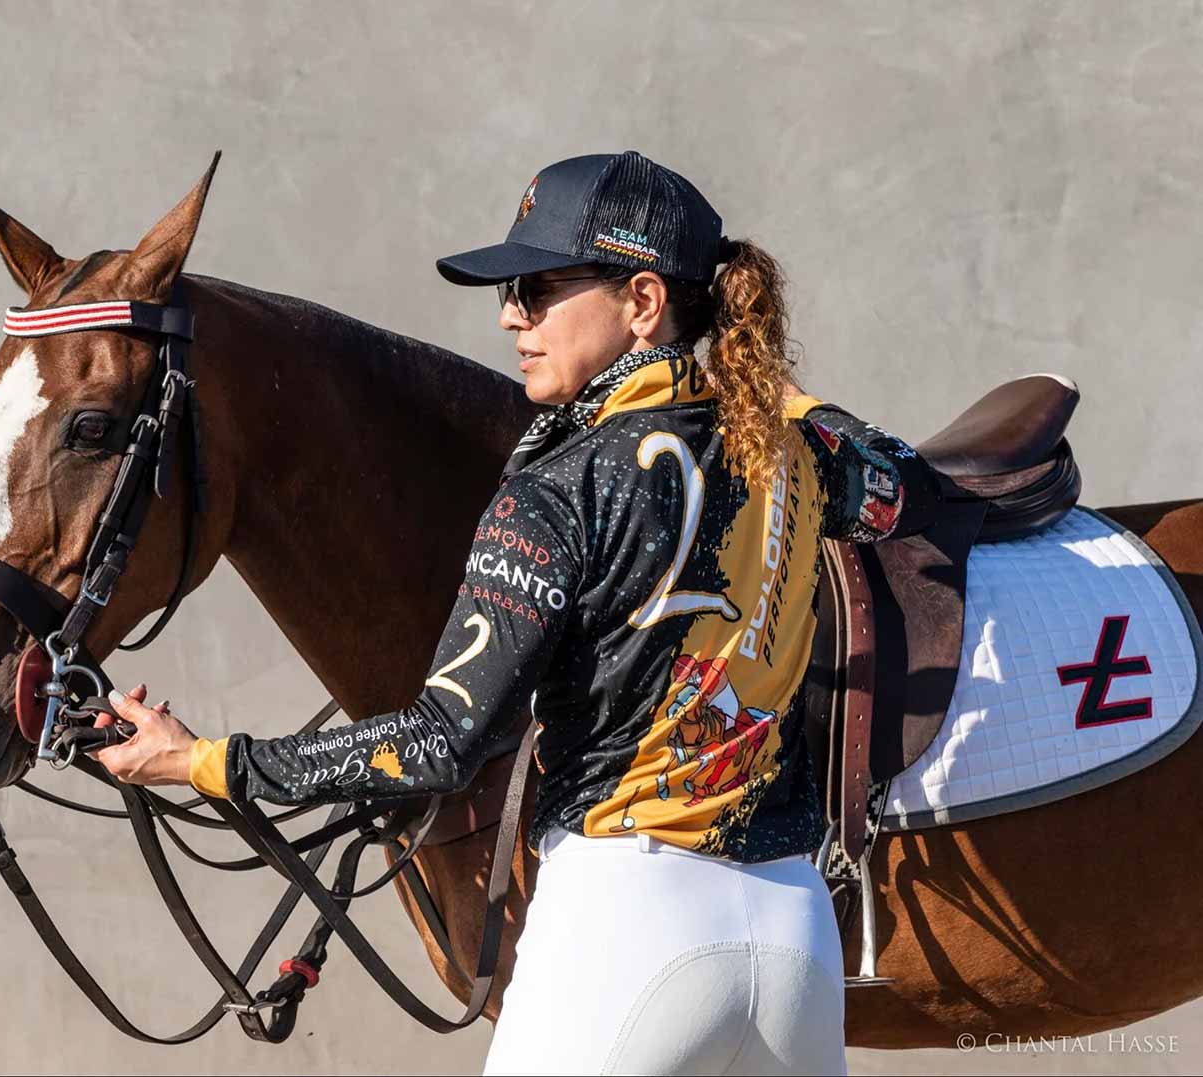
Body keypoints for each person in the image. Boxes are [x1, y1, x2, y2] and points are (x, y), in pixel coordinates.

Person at [94, 150, 942, 1075]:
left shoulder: (555, 489)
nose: (510, 315)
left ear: (643, 301)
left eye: (538, 289)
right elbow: (902, 481)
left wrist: (200, 760)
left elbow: (438, 743)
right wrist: (784, 397)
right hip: (795, 940)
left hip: (628, 929)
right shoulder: (799, 457)